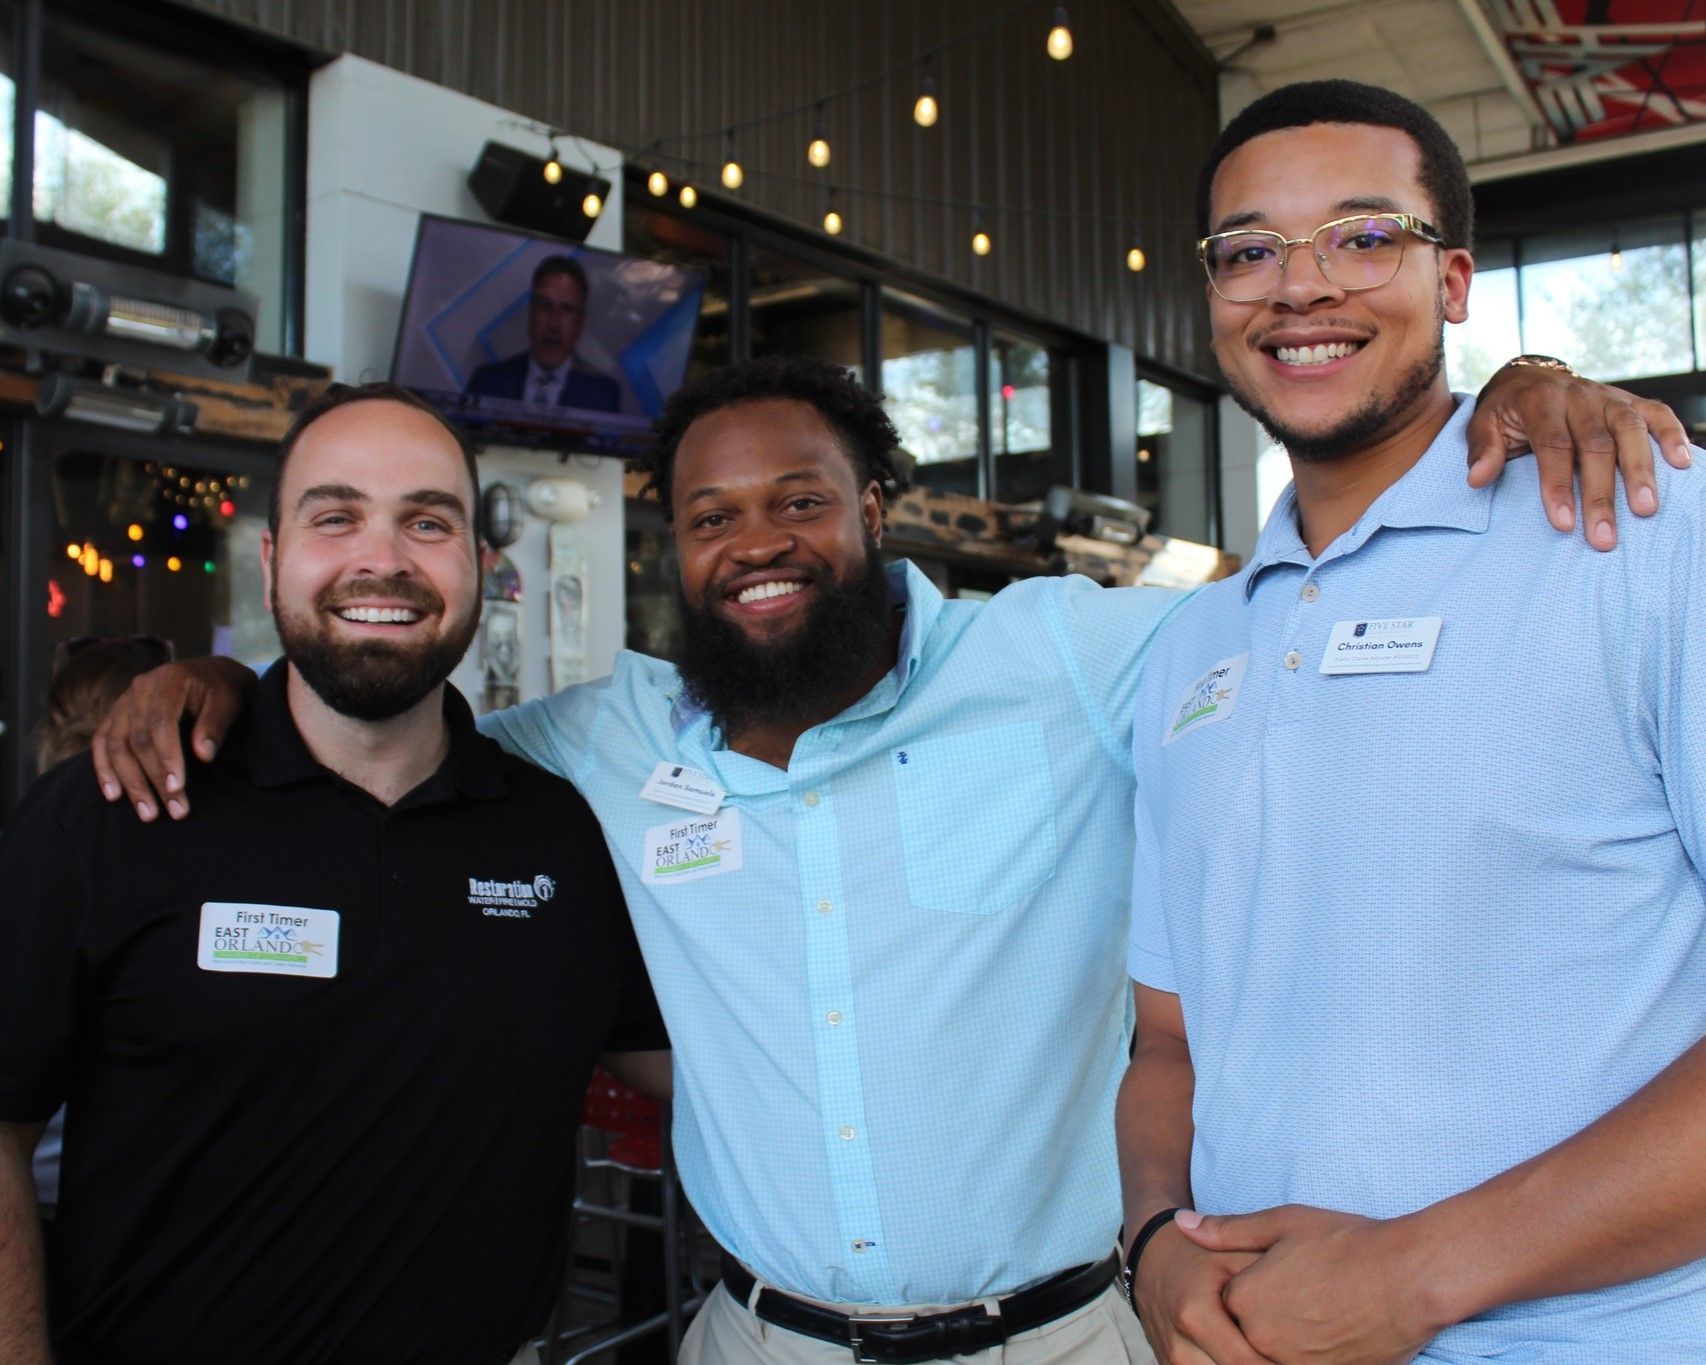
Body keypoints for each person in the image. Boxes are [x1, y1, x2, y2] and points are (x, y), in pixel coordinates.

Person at [89, 353, 1686, 1365]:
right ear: (670, 550)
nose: (757, 541)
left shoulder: (1066, 656)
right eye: (711, 517)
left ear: (878, 507)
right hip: (756, 1345)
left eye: (800, 499)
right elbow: (382, 711)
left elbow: (1314, 616)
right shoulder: (606, 740)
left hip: (1071, 1340)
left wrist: (1502, 404)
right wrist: (218, 683)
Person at [1116, 79, 1706, 1363]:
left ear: (1450, 282)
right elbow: (1168, 1039)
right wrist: (1153, 1238)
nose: (1299, 285)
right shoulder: (1189, 653)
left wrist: (1421, 1276)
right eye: (1250, 250)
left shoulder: (1640, 533)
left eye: (1361, 235)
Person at [0, 382, 668, 1365]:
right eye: (335, 516)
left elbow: (697, 1065)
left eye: (426, 521)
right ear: (273, 562)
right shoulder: (118, 809)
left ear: (482, 568)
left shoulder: (558, 836)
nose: (381, 559)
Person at [465, 254, 622, 412]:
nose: (553, 324)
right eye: (545, 306)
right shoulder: (487, 382)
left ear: (580, 323)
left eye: (567, 309)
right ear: (531, 314)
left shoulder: (603, 394)